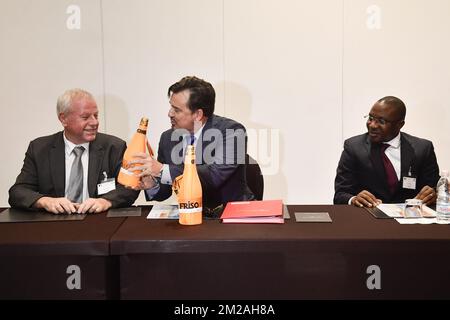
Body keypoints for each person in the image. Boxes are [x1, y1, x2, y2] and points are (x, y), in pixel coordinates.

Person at [129, 76, 254, 213]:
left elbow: (214, 176)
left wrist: (161, 169)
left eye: (176, 110)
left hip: (231, 214)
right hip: (189, 214)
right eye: (171, 107)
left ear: (198, 115)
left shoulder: (232, 132)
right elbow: (165, 190)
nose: (169, 114)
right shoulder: (168, 138)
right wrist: (152, 184)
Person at [8, 88, 139, 214]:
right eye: (85, 117)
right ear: (63, 119)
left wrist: (105, 201)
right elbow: (18, 191)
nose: (94, 122)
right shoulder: (39, 149)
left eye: (96, 115)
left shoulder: (114, 147)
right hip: (53, 224)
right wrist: (44, 201)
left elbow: (129, 188)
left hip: (98, 223)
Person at [334, 96, 440, 208]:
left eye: (381, 121)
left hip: (410, 219)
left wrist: (434, 195)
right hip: (368, 219)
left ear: (400, 124)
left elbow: (433, 189)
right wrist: (354, 199)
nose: (372, 125)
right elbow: (340, 194)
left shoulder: (422, 148)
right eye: (370, 118)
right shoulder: (354, 147)